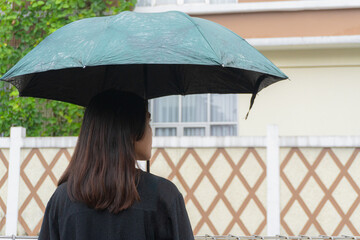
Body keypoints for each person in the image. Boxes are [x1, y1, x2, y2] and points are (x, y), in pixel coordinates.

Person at [38, 90, 194, 240]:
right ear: (130, 130)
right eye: (148, 122)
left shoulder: (62, 200)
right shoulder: (163, 195)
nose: (151, 131)